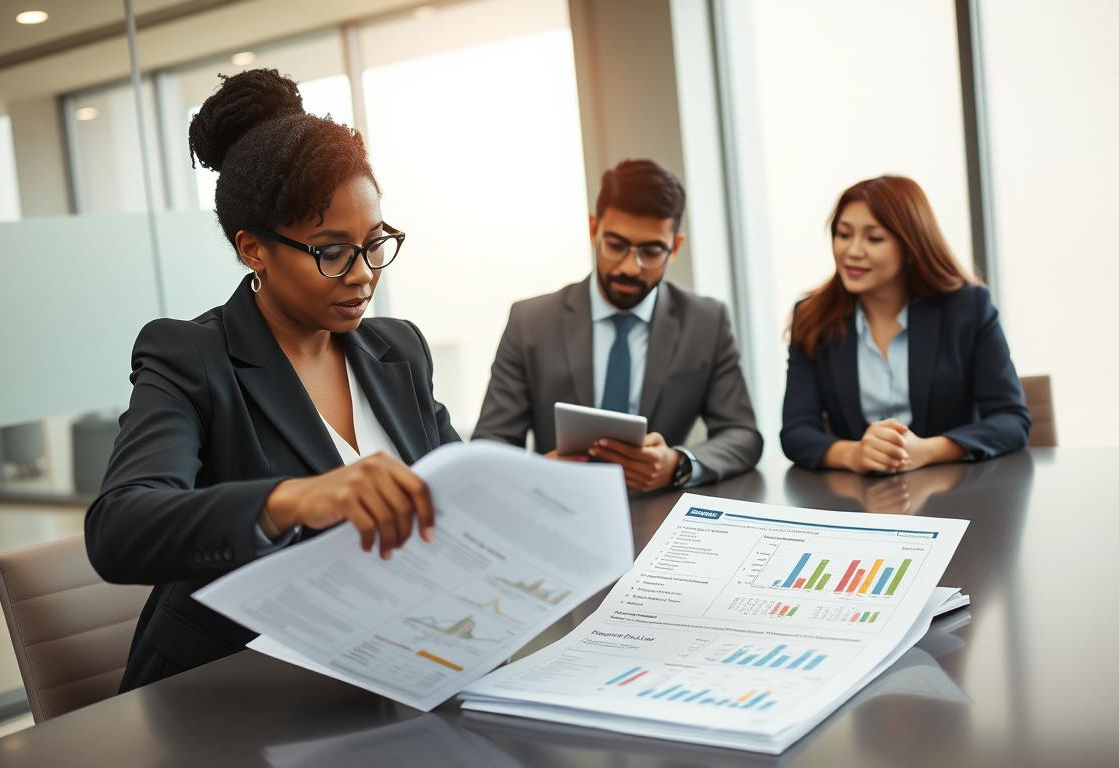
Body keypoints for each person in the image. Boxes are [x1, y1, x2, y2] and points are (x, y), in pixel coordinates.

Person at [84, 70, 458, 692]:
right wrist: (292, 499)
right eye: (331, 251)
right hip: (233, 692)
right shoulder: (191, 357)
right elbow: (120, 529)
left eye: (375, 243)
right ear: (254, 248)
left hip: (394, 664)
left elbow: (452, 494)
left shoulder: (399, 349)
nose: (363, 275)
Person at [473, 159, 762, 491]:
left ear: (675, 247)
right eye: (616, 245)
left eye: (651, 251)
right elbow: (490, 444)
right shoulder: (530, 322)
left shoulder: (707, 323)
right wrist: (540, 473)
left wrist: (679, 464)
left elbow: (743, 435)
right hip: (555, 509)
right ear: (593, 229)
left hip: (658, 516)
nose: (630, 267)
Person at [780, 175, 1030, 473]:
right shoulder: (812, 316)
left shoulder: (968, 308)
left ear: (910, 246)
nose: (852, 251)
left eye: (874, 238)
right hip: (858, 501)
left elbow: (1011, 419)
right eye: (844, 234)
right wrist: (855, 454)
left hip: (957, 493)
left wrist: (927, 450)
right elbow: (796, 432)